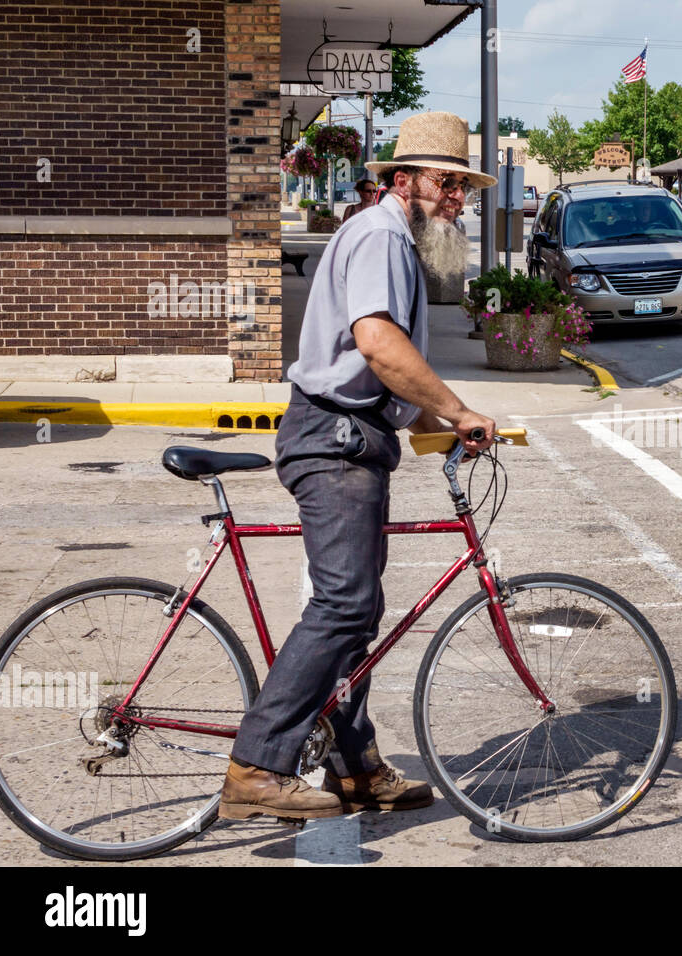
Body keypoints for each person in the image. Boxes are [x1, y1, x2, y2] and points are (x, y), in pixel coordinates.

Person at [219, 111, 497, 822]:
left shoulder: (388, 235)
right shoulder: (380, 234)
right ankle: (257, 763)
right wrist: (459, 409)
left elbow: (390, 371)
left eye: (463, 187)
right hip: (333, 441)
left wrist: (438, 423)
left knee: (356, 611)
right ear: (403, 180)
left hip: (352, 438)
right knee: (345, 604)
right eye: (446, 183)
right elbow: (376, 344)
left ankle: (353, 767)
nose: (456, 199)